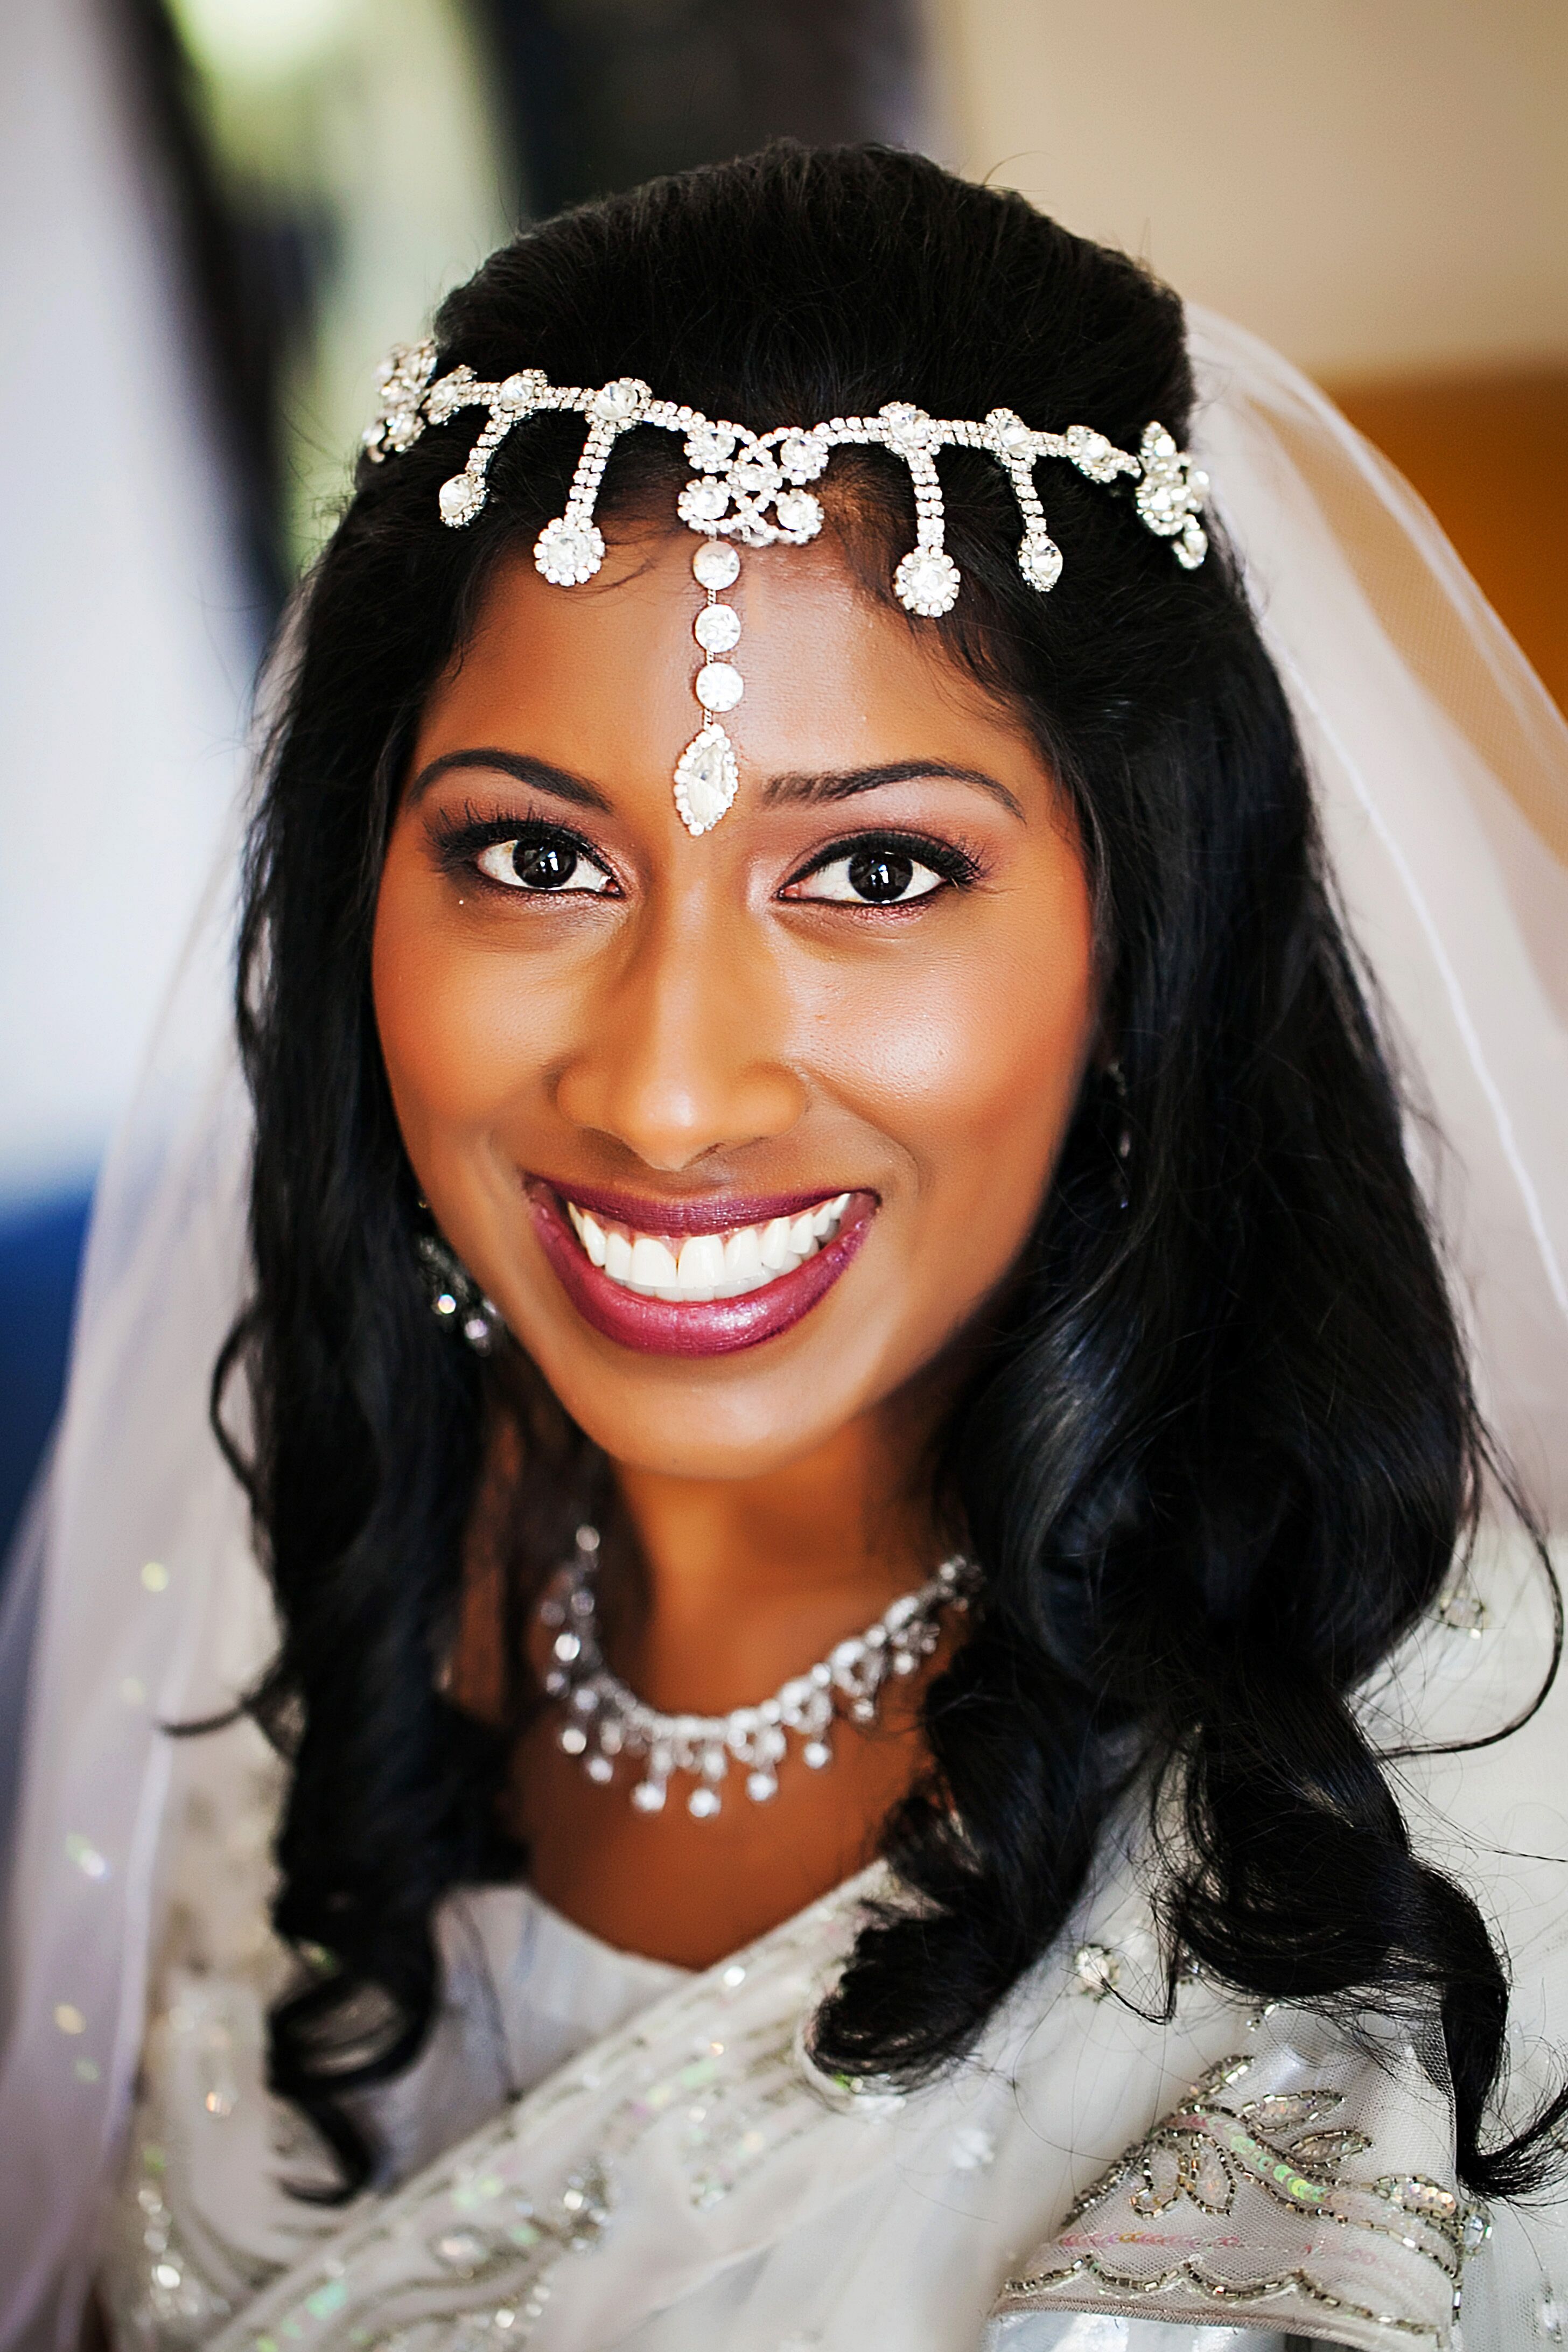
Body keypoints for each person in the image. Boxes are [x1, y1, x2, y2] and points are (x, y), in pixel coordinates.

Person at [2, 144, 1567, 2352]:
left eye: (881, 877)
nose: (667, 1088)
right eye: (536, 856)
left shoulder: (1424, 1827)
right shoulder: (313, 1579)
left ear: (1141, 944)